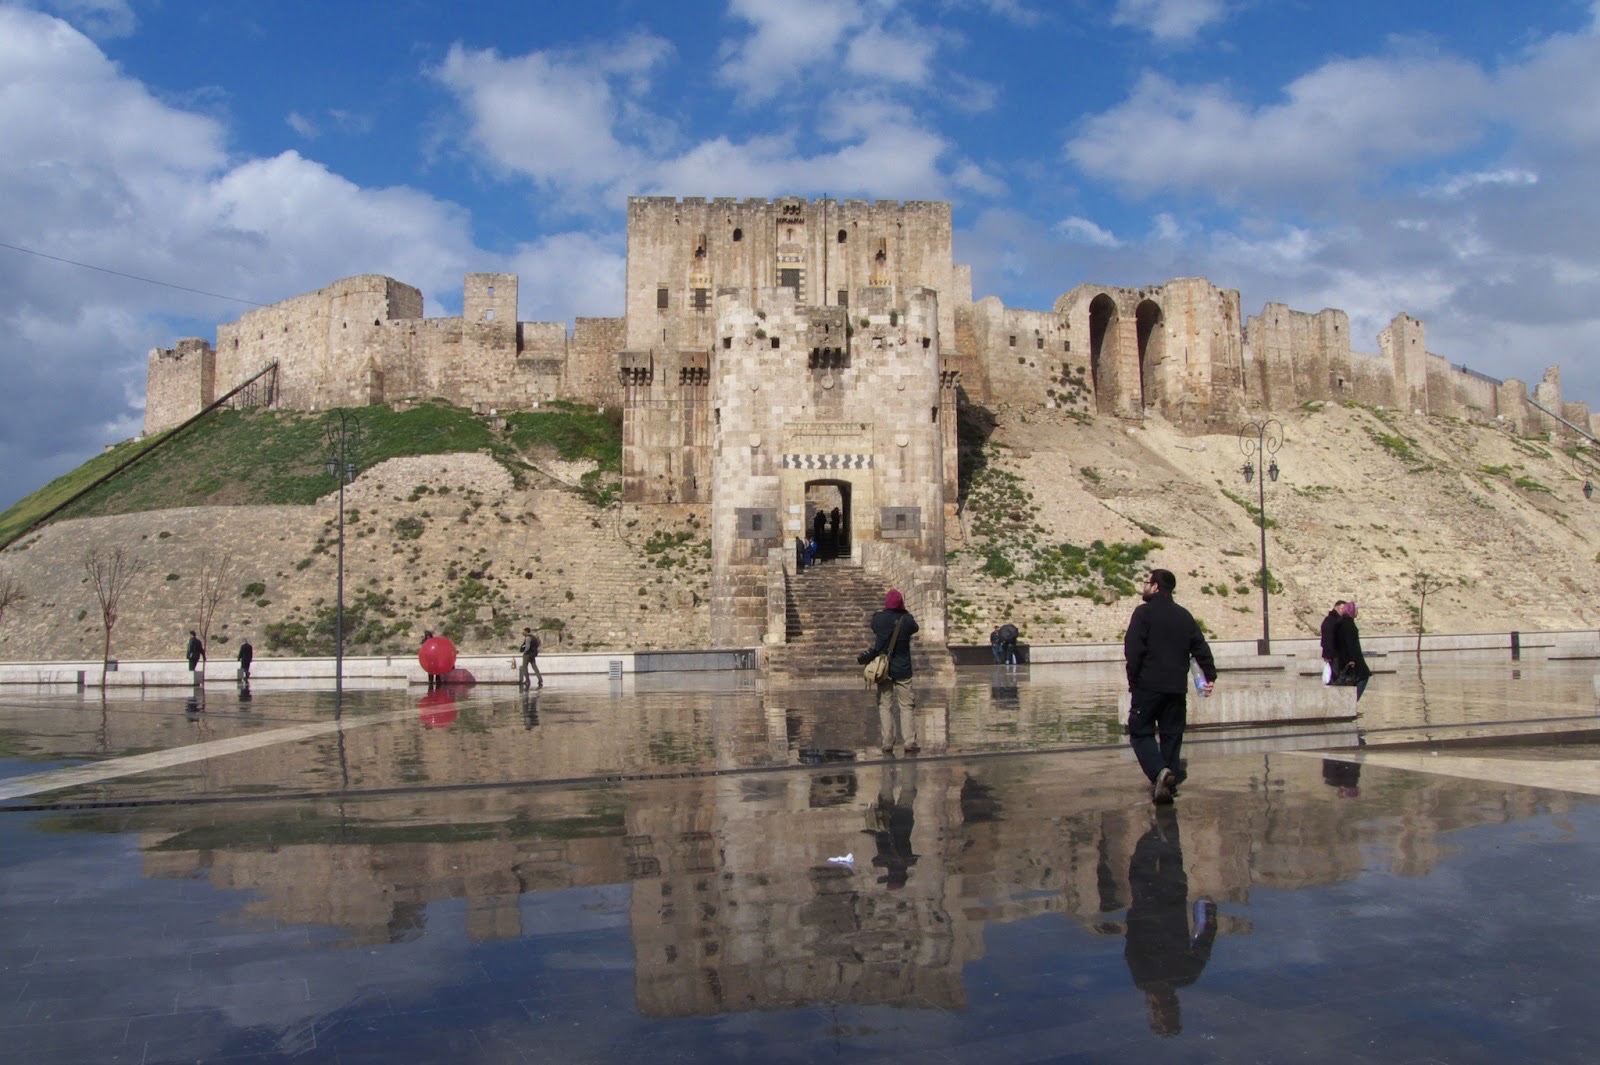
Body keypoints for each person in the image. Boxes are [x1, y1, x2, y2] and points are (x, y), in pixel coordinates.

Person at [1122, 807, 1217, 1036]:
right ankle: (1161, 819)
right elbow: (1204, 935)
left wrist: (1207, 909)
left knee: (1153, 859)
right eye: (1165, 1009)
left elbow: (1132, 947)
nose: (1159, 1006)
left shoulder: (1153, 978)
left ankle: (1159, 821)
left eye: (1157, 1011)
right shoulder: (1181, 976)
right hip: (1158, 905)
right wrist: (1206, 909)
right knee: (1158, 858)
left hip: (1154, 905)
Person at [1124, 569, 1216, 804]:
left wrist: (1133, 680)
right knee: (1172, 736)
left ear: (1155, 587)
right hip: (1176, 688)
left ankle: (1159, 772)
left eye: (1147, 582)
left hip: (1149, 686)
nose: (1144, 586)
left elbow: (1133, 650)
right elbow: (1200, 647)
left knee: (1140, 730)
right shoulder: (1184, 615)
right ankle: (1168, 786)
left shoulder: (1143, 614)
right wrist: (1210, 675)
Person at [858, 588, 921, 756]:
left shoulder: (878, 619)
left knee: (885, 705)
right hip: (903, 668)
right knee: (906, 705)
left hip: (883, 668)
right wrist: (903, 612)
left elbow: (873, 626)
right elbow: (915, 628)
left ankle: (887, 742)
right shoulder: (907, 620)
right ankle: (909, 742)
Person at [1333, 599, 1373, 700]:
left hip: (1344, 659)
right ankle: (1352, 702)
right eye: (1356, 610)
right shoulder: (1348, 624)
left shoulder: (1341, 622)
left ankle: (1349, 702)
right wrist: (1351, 659)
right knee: (1363, 676)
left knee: (1352, 680)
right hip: (1352, 660)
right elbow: (1350, 644)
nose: (1357, 613)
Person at [1319, 600, 1346, 684]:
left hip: (1335, 654)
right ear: (1336, 608)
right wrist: (1328, 655)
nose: (1343, 611)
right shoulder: (1331, 620)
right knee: (1335, 678)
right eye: (1342, 608)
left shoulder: (1336, 620)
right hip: (1333, 655)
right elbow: (1327, 639)